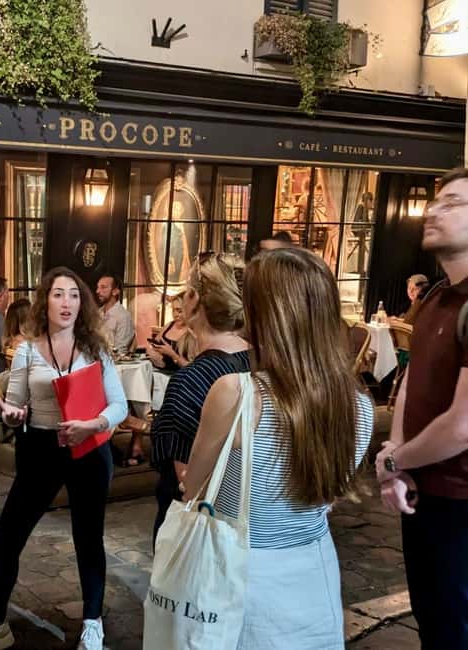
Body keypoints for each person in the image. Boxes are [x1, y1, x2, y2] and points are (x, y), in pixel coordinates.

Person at [184, 247, 373, 647]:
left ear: (265, 313)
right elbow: (324, 495)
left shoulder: (236, 394)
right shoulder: (360, 406)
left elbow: (195, 490)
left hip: (245, 574)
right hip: (314, 569)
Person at [0, 267, 128, 650]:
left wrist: (93, 424)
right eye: (58, 294)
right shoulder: (26, 349)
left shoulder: (96, 349)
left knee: (88, 537)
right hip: (40, 449)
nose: (67, 302)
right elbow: (17, 403)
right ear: (46, 301)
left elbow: (119, 404)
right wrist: (12, 413)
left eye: (74, 295)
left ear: (82, 303)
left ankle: (92, 621)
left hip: (88, 449)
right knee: (9, 536)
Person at [374, 168, 468, 649]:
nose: (433, 210)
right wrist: (397, 454)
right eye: (436, 200)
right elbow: (411, 379)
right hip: (426, 493)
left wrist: (393, 461)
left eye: (453, 203)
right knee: (434, 622)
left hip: (461, 501)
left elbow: (461, 425)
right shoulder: (435, 296)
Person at [149, 252, 249, 544]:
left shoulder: (191, 380)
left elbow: (188, 486)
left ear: (192, 299)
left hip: (200, 533)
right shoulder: (262, 363)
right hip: (250, 525)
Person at [145, 294, 195, 372]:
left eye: (179, 311)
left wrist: (172, 355)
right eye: (173, 310)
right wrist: (151, 350)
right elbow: (153, 345)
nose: (175, 315)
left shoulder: (193, 333)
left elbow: (192, 369)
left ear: (189, 310)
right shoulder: (169, 325)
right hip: (159, 373)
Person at [94, 273, 135, 355]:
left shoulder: (123, 317)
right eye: (98, 287)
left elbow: (120, 351)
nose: (97, 291)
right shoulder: (97, 313)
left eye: (103, 287)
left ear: (115, 291)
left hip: (113, 364)